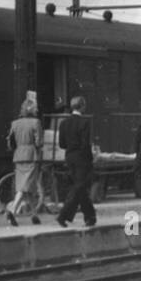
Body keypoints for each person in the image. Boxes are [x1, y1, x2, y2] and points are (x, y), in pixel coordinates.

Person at [56, 95, 97, 228]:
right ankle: (63, 215)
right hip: (82, 158)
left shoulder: (63, 123)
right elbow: (86, 144)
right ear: (82, 106)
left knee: (80, 187)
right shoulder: (85, 123)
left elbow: (62, 144)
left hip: (69, 157)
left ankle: (90, 218)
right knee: (79, 187)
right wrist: (90, 159)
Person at [5, 99, 44, 226]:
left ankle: (34, 215)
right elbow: (39, 142)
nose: (37, 110)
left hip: (18, 156)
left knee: (28, 187)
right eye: (35, 108)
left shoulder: (15, 123)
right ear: (31, 110)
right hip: (31, 156)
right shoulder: (36, 122)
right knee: (25, 187)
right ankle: (12, 210)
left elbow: (10, 142)